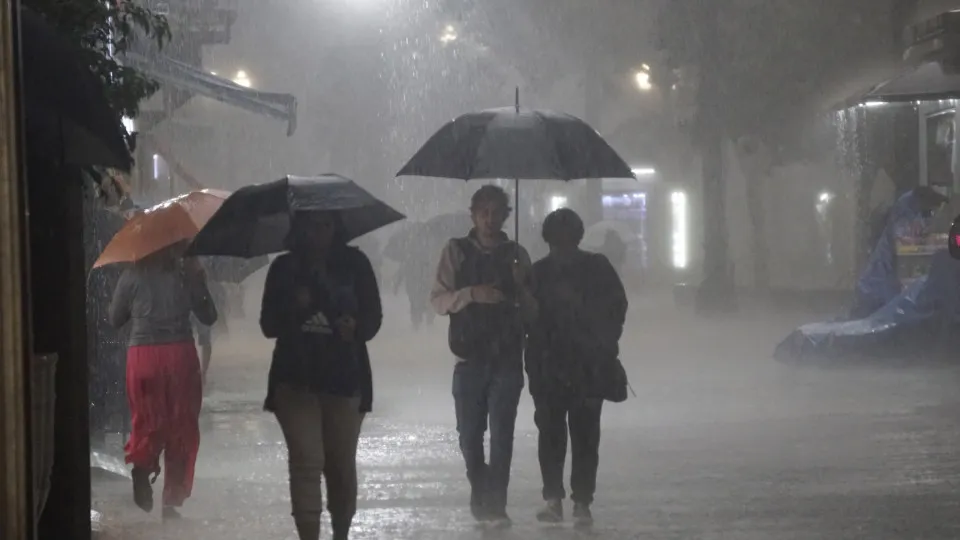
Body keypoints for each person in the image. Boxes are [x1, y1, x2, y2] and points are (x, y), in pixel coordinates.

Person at [260, 211, 382, 540]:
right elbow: (267, 325)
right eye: (312, 225)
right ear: (299, 228)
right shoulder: (284, 269)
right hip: (295, 378)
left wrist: (355, 327)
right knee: (306, 461)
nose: (320, 233)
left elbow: (373, 318)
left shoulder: (356, 265)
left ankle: (341, 532)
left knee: (340, 466)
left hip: (345, 378)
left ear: (336, 227)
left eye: (327, 224)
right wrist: (295, 307)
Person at [431, 184, 538, 527]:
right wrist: (471, 294)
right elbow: (438, 299)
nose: (490, 220)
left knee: (502, 434)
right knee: (469, 435)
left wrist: (521, 285)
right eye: (484, 213)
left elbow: (533, 312)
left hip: (507, 356)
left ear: (507, 216)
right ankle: (481, 488)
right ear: (474, 216)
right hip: (469, 357)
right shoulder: (456, 251)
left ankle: (496, 503)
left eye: (497, 213)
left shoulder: (517, 254)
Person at [526, 208, 627, 527]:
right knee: (583, 435)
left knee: (554, 433)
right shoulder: (596, 267)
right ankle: (580, 501)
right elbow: (617, 308)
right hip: (579, 365)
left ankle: (557, 499)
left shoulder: (539, 273)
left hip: (555, 364)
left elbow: (527, 319)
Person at [108, 244, 217, 519]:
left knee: (145, 420)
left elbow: (114, 319)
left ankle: (141, 467)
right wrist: (198, 279)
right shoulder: (185, 273)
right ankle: (171, 501)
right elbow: (209, 316)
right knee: (181, 425)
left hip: (143, 357)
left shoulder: (131, 275)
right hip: (180, 354)